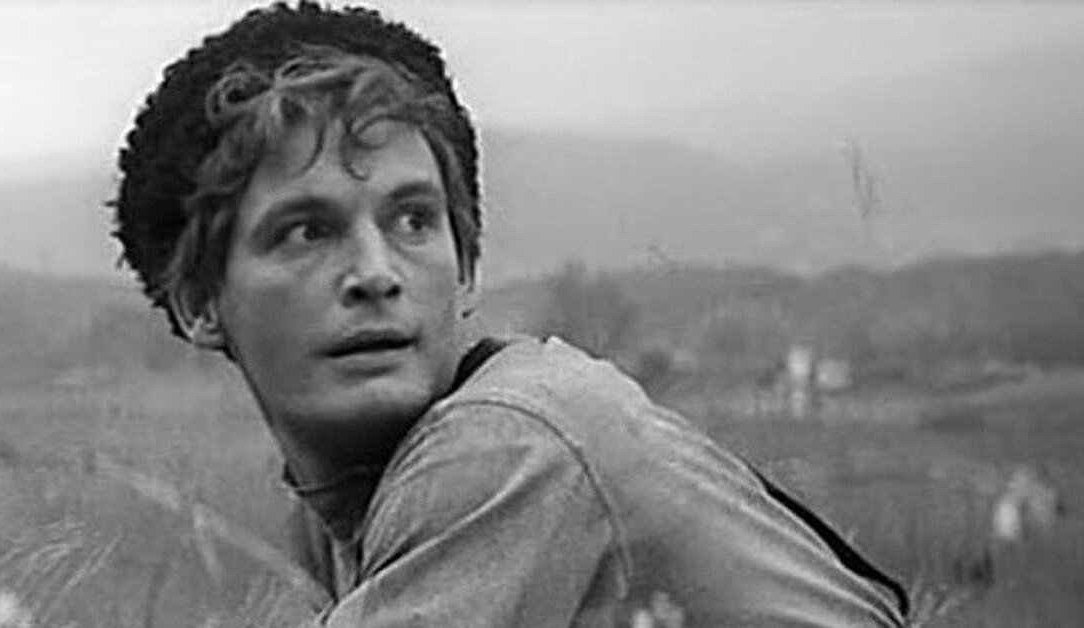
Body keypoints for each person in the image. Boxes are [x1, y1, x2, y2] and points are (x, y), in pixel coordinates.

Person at [111, 2, 910, 625]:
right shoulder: (345, 505)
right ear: (199, 303)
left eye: (414, 220)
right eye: (307, 231)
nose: (376, 274)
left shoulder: (505, 446)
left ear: (465, 269)